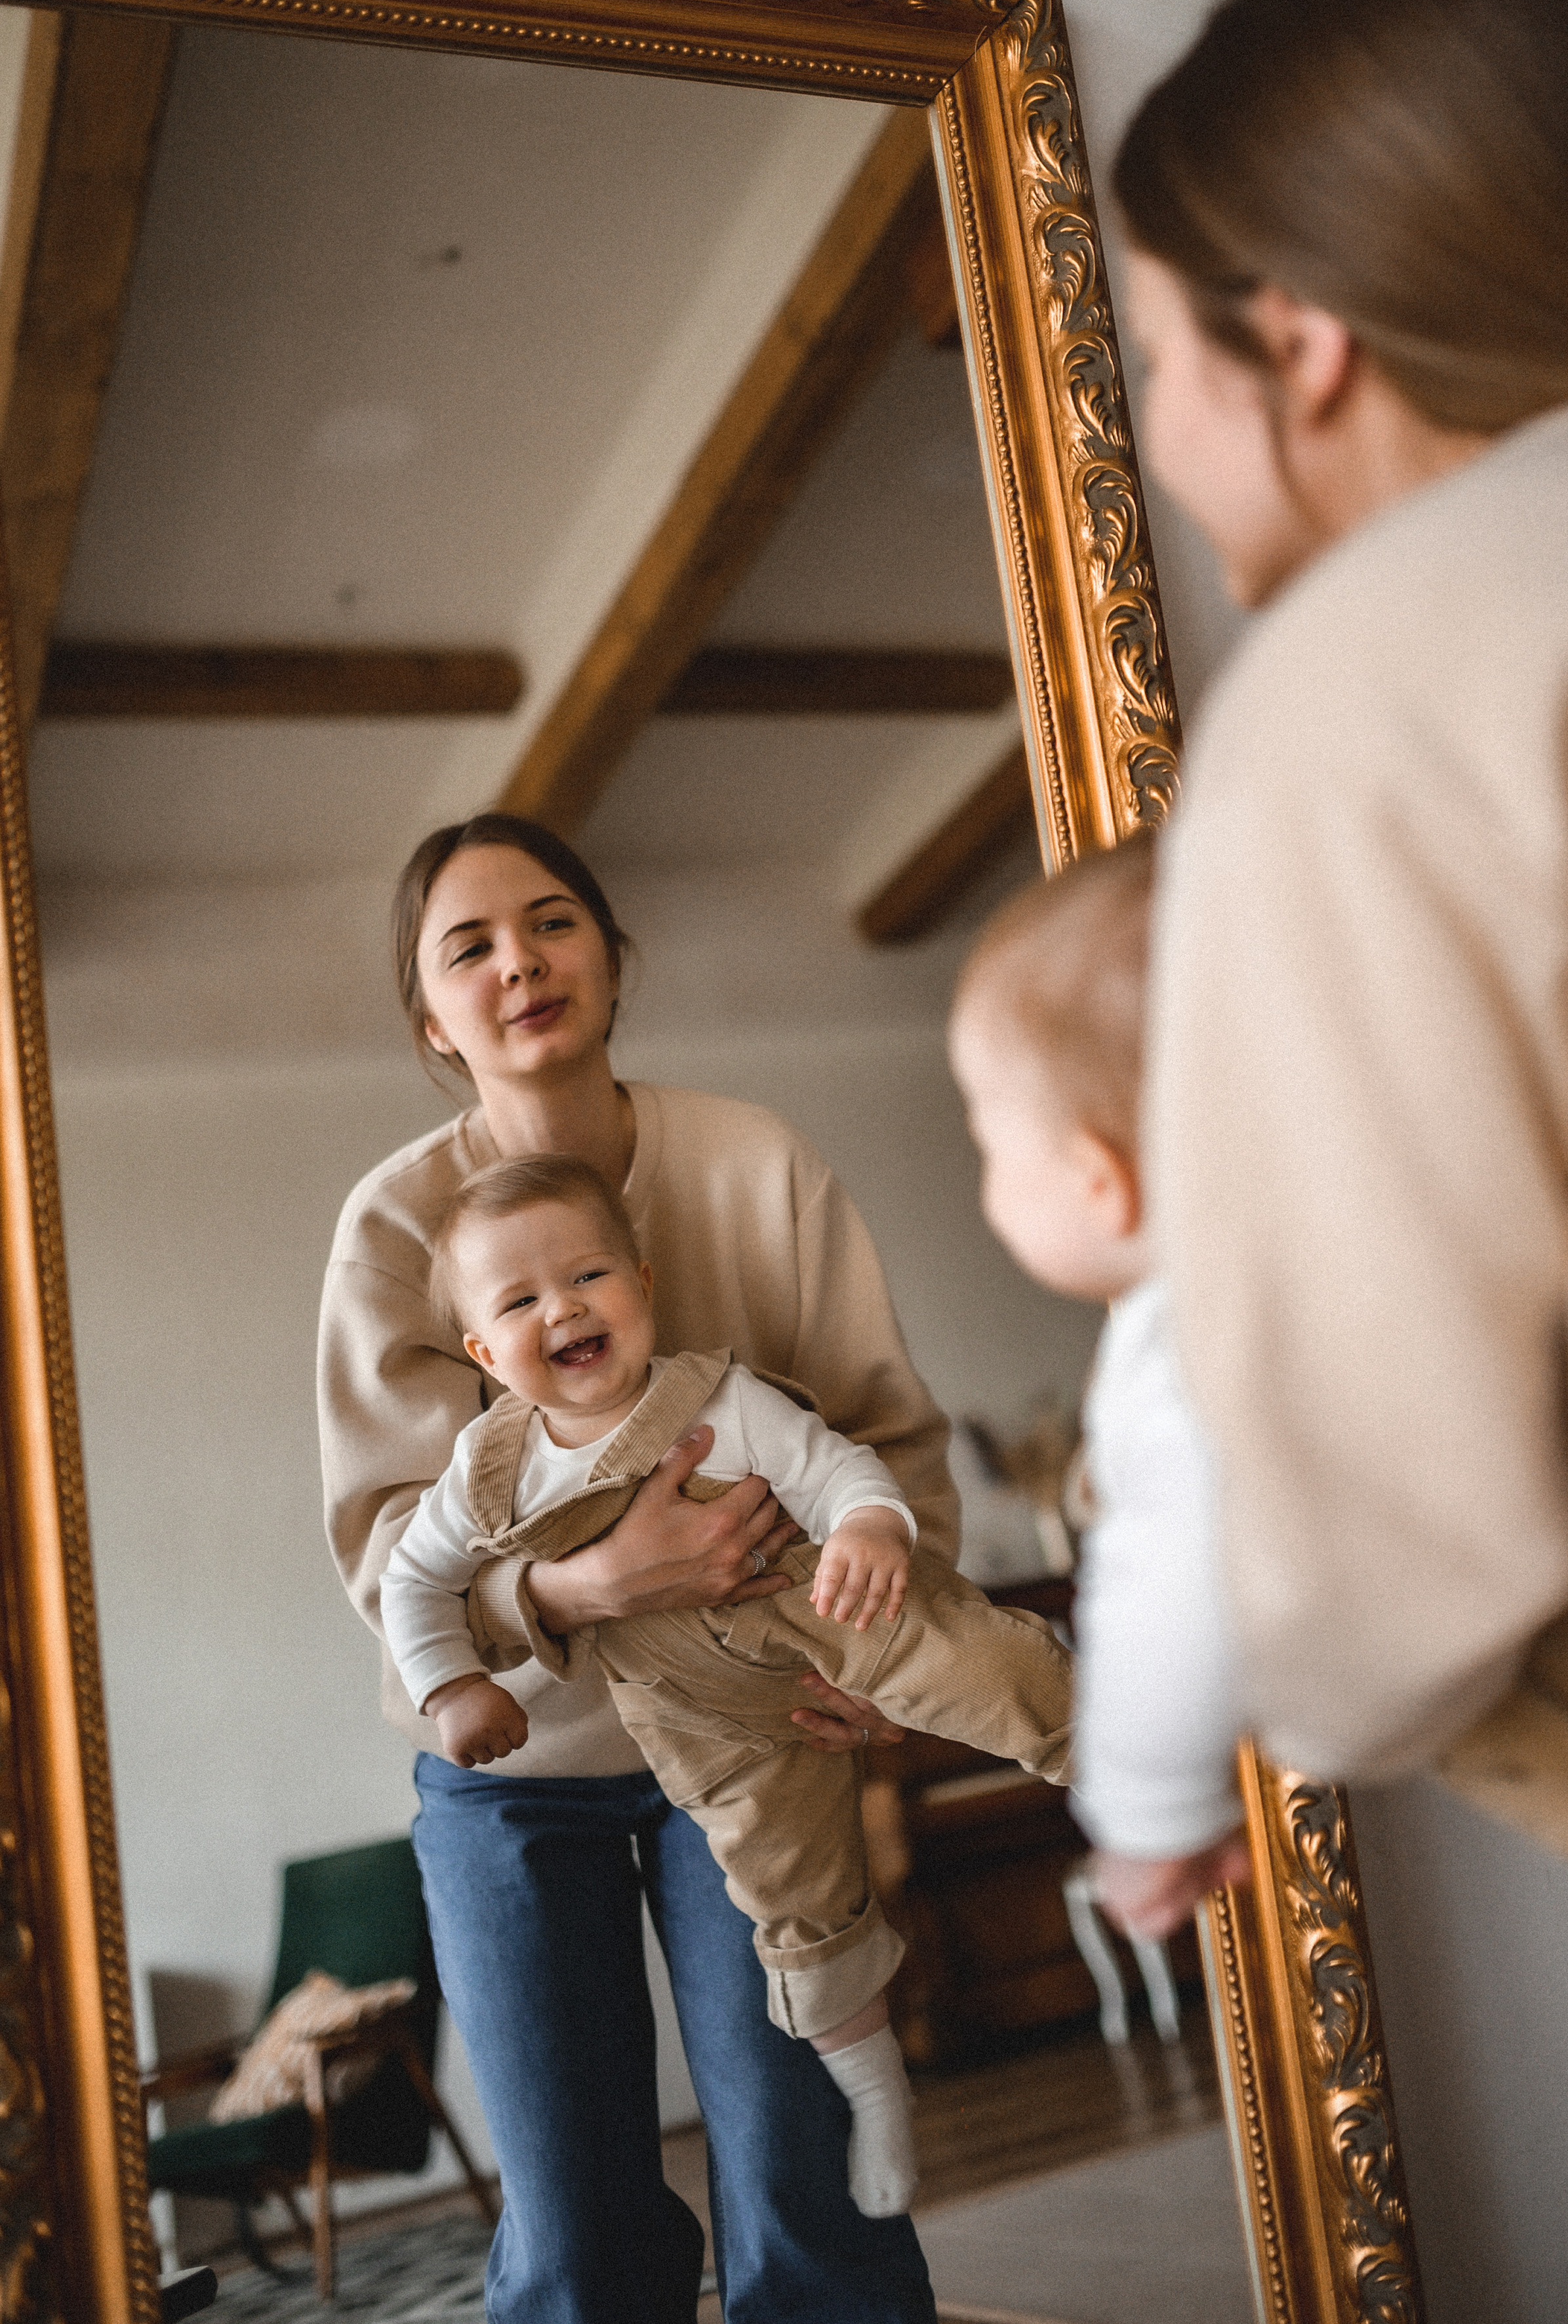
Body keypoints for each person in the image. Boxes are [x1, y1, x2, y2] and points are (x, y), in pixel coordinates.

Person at [1106, 0, 1568, 1864]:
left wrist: (1266, 1704)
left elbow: (1387, 1511)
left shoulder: (1379, 671)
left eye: (1161, 346)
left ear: (1302, 338)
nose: (1161, 425)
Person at [319, 811, 950, 2324]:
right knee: (576, 2237)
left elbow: (888, 1437)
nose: (517, 962)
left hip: (754, 1738)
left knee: (807, 2188)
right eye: (466, 946)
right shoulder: (392, 1227)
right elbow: (383, 1552)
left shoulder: (754, 1161)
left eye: (550, 921)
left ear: (611, 956)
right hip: (512, 1775)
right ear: (428, 1016)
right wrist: (591, 1590)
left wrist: (888, 1663)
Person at [380, 1152, 1073, 2218]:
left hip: (817, 1609)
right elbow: (412, 1582)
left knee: (977, 1658)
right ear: (482, 1349)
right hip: (699, 1718)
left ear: (643, 1285)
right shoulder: (489, 1471)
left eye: (588, 1277)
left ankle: (1120, 1757)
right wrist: (452, 1687)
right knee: (793, 1902)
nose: (563, 1307)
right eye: (520, 1300)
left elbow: (837, 1467)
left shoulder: (718, 1399)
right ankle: (870, 2078)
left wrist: (872, 1527)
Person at [946, 845, 1250, 1940]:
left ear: (1097, 1178)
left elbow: (1172, 1585)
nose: (985, 1182)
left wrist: (1153, 1817)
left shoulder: (1181, 1345)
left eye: (986, 1137)